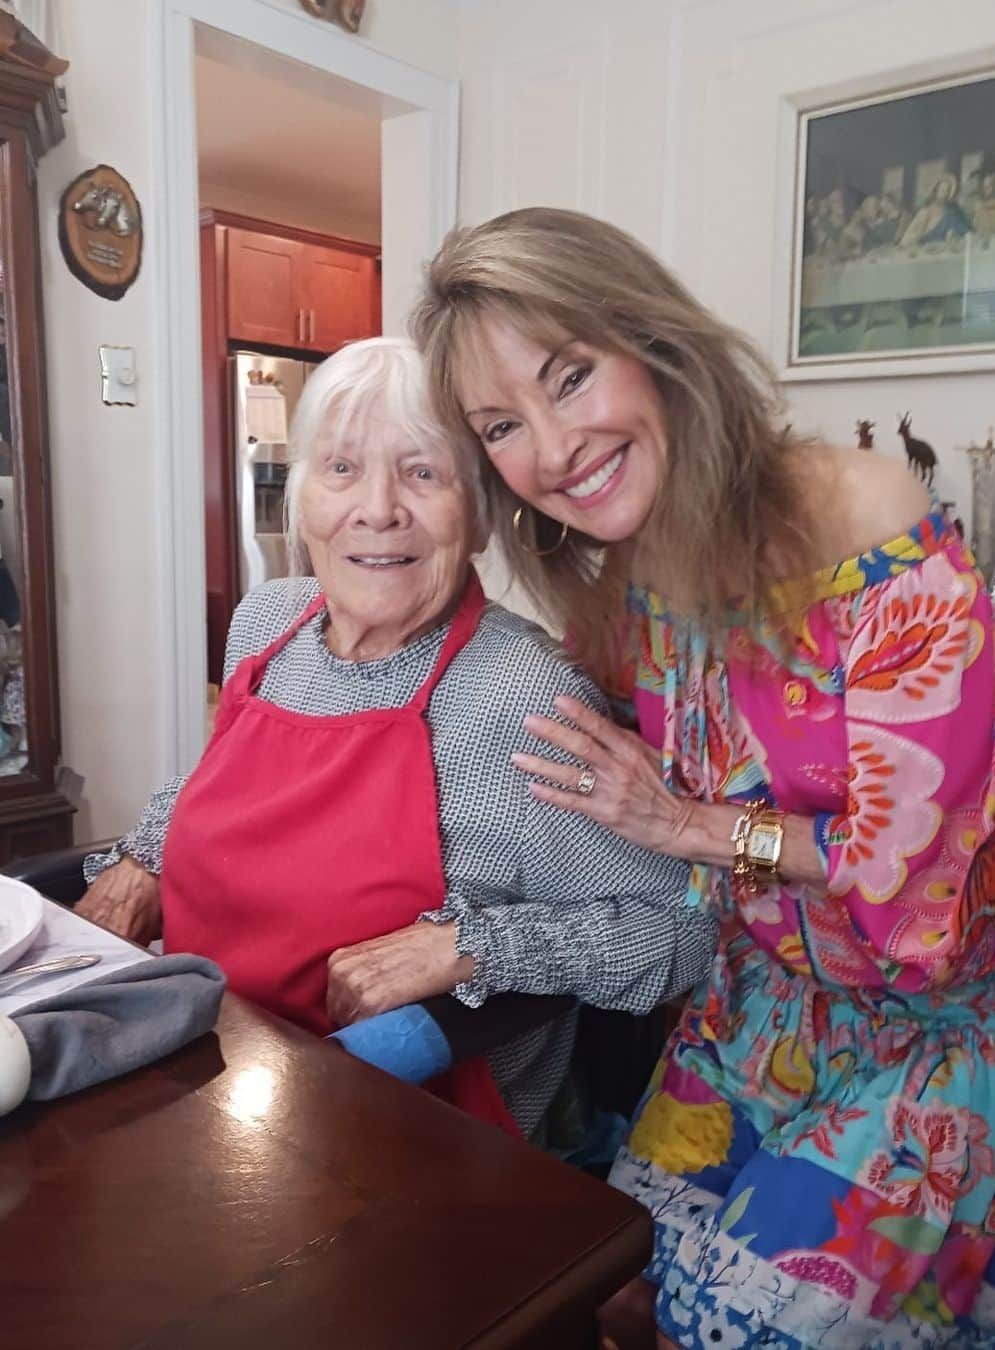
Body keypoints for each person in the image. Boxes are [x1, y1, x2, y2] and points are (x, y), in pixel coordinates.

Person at [411, 208, 995, 1348]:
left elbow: (923, 899)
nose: (554, 447)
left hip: (958, 1016)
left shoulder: (867, 513)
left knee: (732, 1328)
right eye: (502, 427)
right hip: (766, 1007)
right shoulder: (630, 577)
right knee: (601, 1281)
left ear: (652, 344)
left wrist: (691, 826)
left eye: (570, 376)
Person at [77, 337, 716, 1141]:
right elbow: (221, 782)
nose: (377, 509)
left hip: (400, 1133)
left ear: (479, 515)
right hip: (204, 1064)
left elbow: (685, 930)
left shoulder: (525, 696)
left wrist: (474, 945)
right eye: (341, 469)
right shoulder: (269, 623)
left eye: (422, 473)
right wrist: (145, 858)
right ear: (300, 496)